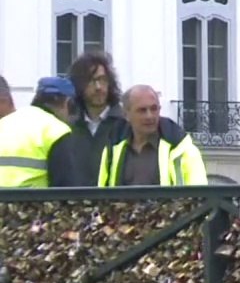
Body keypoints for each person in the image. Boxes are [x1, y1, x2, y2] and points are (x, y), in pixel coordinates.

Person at [98, 85, 208, 186]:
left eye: (154, 109)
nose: (150, 116)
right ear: (126, 114)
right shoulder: (112, 148)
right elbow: (102, 195)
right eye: (142, 110)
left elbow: (200, 197)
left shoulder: (183, 150)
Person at [0, 76, 82, 187]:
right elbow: (65, 189)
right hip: (31, 203)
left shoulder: (4, 123)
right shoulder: (56, 130)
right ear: (67, 103)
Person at [66, 51, 127, 185]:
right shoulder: (68, 128)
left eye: (103, 79)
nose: (99, 87)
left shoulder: (125, 124)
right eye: (92, 81)